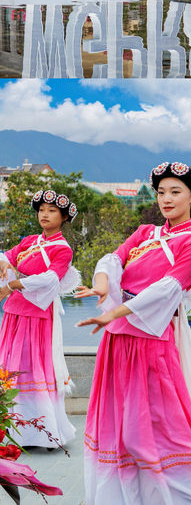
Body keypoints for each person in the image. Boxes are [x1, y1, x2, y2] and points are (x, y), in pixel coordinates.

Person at [77, 162, 191, 505]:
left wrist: (114, 312)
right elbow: (112, 260)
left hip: (151, 343)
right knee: (118, 428)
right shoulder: (145, 233)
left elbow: (167, 291)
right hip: (117, 341)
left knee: (161, 428)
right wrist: (100, 287)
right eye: (161, 192)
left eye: (175, 192)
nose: (165, 199)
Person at [0, 189, 78, 447]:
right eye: (42, 210)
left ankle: (37, 432)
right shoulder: (30, 241)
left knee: (32, 367)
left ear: (64, 217)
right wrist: (5, 265)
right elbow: (6, 256)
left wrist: (14, 284)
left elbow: (50, 279)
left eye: (52, 211)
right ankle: (9, 427)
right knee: (8, 367)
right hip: (13, 313)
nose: (44, 215)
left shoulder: (62, 249)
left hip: (36, 316)